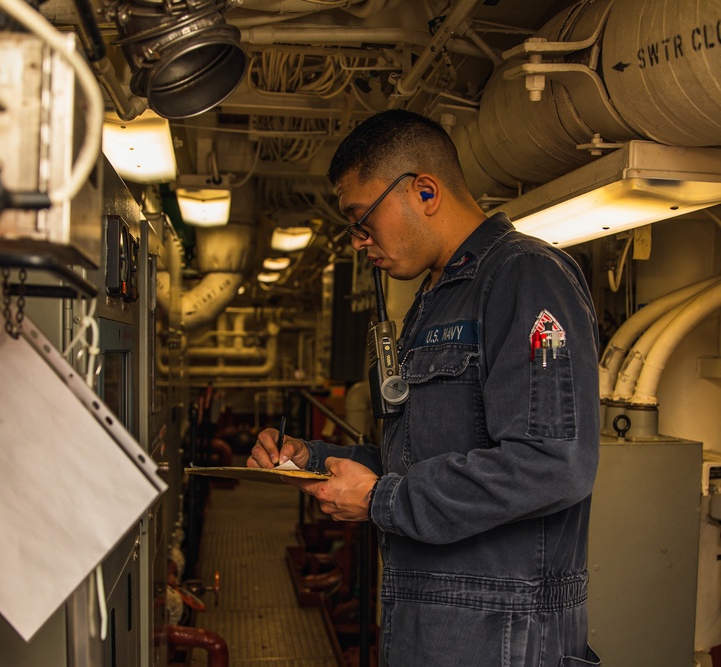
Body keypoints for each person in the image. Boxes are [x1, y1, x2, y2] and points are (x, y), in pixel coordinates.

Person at [248, 110, 601, 666]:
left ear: (425, 191)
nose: (360, 242)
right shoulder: (433, 301)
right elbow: (417, 456)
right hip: (429, 625)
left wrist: (378, 499)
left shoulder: (526, 278)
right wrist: (314, 459)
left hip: (501, 637)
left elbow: (550, 463)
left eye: (363, 220)